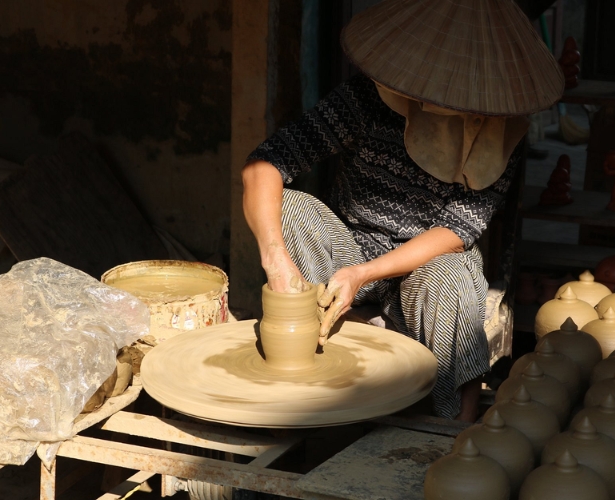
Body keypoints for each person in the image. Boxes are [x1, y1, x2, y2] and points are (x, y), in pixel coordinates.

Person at [242, 0, 564, 421]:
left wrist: (366, 274)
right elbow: (264, 164)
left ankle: (447, 424)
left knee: (452, 272)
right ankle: (330, 341)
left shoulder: (503, 133)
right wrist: (275, 260)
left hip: (422, 269)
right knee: (291, 209)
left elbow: (457, 229)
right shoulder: (368, 99)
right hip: (346, 253)